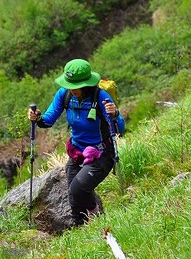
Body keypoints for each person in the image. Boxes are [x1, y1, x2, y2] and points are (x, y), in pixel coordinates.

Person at [28, 59, 125, 228]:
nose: (72, 89)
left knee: (77, 189)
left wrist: (115, 114)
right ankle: (79, 229)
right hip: (77, 152)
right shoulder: (64, 94)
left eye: (76, 86)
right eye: (69, 85)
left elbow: (120, 128)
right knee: (74, 197)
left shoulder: (100, 96)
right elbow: (48, 120)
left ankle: (98, 216)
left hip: (102, 154)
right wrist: (37, 118)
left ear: (87, 84)